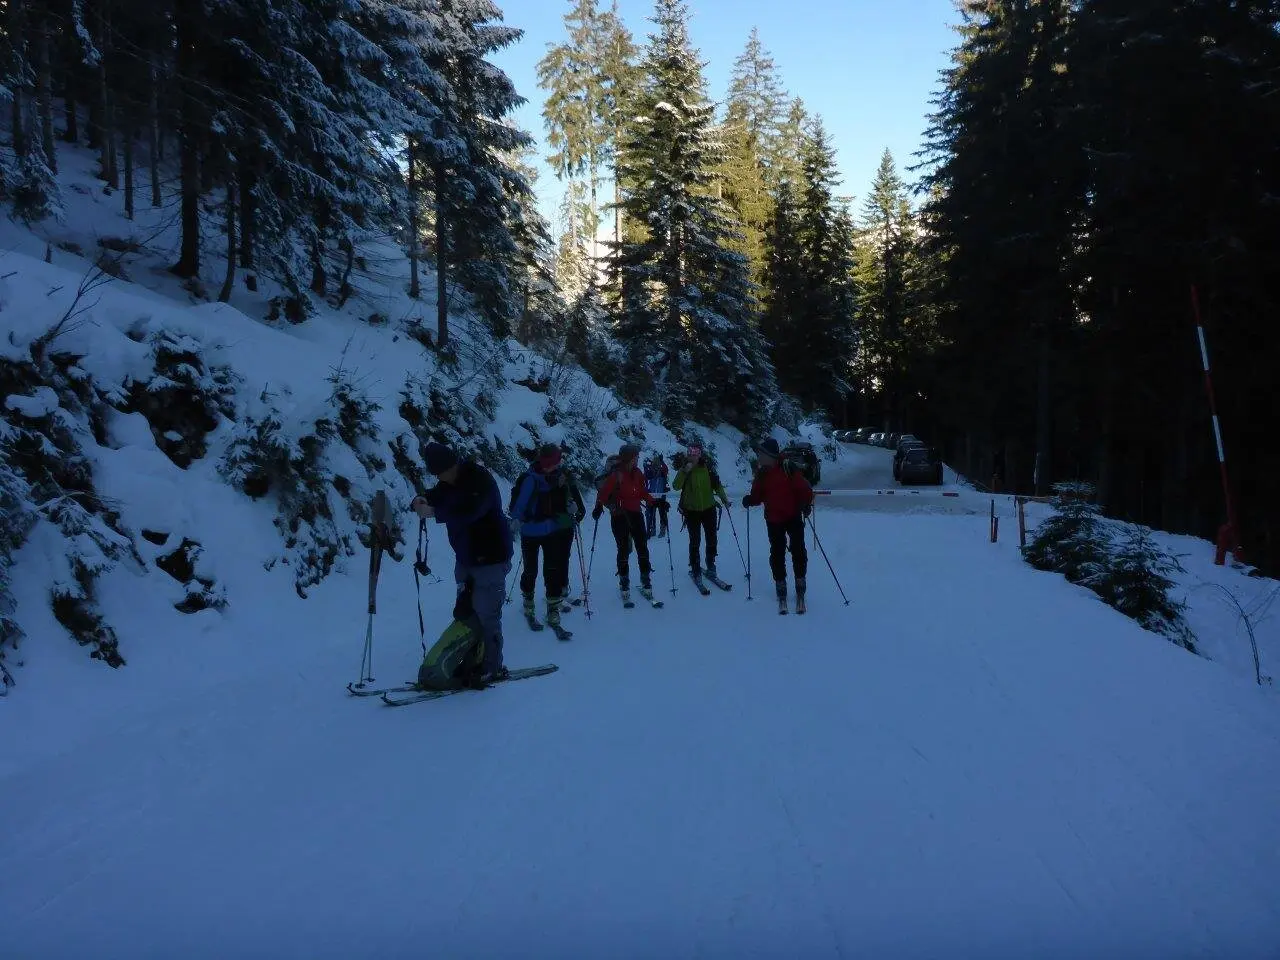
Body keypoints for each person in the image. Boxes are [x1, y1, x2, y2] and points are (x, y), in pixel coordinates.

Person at [411, 441, 513, 682]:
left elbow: (471, 511)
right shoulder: (448, 483)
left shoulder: (480, 480)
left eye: (440, 472)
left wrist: (434, 512)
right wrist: (419, 499)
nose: (439, 478)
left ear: (452, 464)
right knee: (466, 610)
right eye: (435, 474)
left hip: (491, 558)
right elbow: (436, 495)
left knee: (487, 614)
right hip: (466, 558)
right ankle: (470, 658)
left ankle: (492, 665)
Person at [510, 443, 585, 630]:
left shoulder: (558, 478)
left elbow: (562, 501)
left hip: (552, 530)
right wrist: (517, 519)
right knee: (530, 570)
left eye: (556, 463)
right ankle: (528, 603)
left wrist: (572, 508)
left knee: (552, 569)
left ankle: (553, 607)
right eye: (552, 463)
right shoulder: (528, 479)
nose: (555, 466)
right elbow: (518, 505)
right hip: (530, 532)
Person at [741, 437, 814, 613]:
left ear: (770, 455)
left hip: (793, 515)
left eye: (761, 453)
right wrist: (750, 500)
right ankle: (780, 584)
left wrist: (806, 504)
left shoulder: (788, 467)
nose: (759, 456)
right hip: (773, 519)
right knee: (777, 552)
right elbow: (758, 495)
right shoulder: (762, 473)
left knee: (798, 550)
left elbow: (804, 489)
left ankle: (800, 582)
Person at [592, 443, 664, 599]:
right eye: (636, 456)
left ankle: (645, 579)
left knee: (642, 547)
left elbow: (642, 491)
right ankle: (624, 581)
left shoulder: (638, 473)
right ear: (630, 458)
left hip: (636, 514)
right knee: (624, 549)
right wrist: (598, 507)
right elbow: (603, 494)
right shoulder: (616, 475)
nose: (638, 458)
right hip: (619, 516)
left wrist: (655, 501)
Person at [672, 443, 730, 584]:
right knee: (695, 540)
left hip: (709, 509)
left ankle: (710, 564)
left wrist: (725, 500)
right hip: (691, 511)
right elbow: (676, 486)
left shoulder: (707, 468)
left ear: (700, 455)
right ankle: (695, 567)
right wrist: (685, 471)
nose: (692, 456)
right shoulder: (685, 469)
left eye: (695, 453)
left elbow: (717, 485)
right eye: (690, 453)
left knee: (712, 538)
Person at [643, 454, 670, 538]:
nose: (656, 468)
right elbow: (645, 478)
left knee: (662, 513)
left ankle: (662, 529)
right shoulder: (649, 473)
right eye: (654, 465)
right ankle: (651, 529)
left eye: (657, 465)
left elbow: (666, 469)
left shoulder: (662, 473)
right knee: (650, 514)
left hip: (661, 497)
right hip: (651, 497)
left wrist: (662, 461)